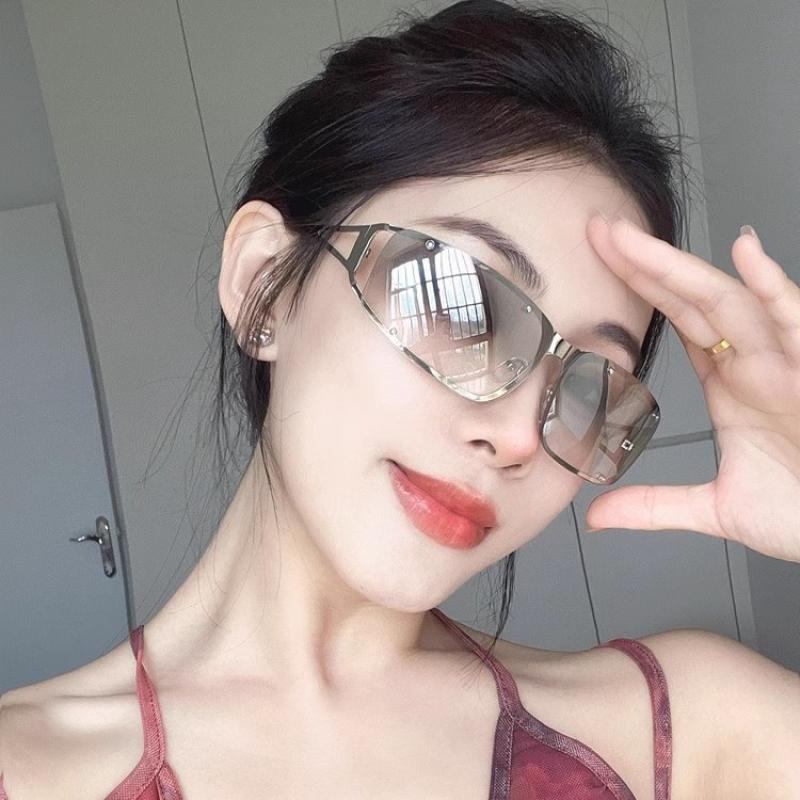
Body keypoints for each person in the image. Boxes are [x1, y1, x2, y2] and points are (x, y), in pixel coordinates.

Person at [2, 1, 799, 797]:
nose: (519, 435)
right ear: (263, 285)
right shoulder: (30, 770)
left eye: (587, 384)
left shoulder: (694, 730)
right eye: (459, 303)